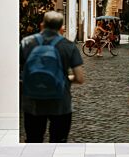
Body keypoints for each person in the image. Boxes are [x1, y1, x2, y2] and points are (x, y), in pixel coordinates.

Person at [20, 11, 84, 143]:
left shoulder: (26, 43)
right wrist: (65, 79)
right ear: (61, 28)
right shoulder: (69, 46)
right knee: (58, 143)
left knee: (33, 141)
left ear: (42, 25)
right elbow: (80, 78)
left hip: (32, 103)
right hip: (61, 103)